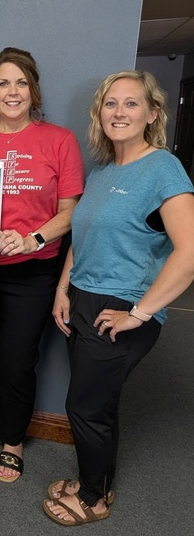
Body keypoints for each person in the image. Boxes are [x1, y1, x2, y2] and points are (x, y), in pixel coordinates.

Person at [43, 70, 194, 526]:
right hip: (82, 299)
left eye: (131, 103)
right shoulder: (104, 171)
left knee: (85, 407)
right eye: (111, 103)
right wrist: (63, 288)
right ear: (100, 114)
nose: (119, 112)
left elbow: (189, 252)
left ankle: (93, 499)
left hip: (120, 306)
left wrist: (140, 313)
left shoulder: (163, 168)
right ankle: (98, 480)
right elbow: (82, 237)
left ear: (152, 113)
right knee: (98, 403)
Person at [0, 47, 84, 482]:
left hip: (34, 269)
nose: (13, 92)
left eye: (21, 82)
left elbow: (72, 211)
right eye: (3, 83)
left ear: (34, 91)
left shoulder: (60, 140)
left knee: (18, 360)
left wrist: (31, 238)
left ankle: (12, 440)